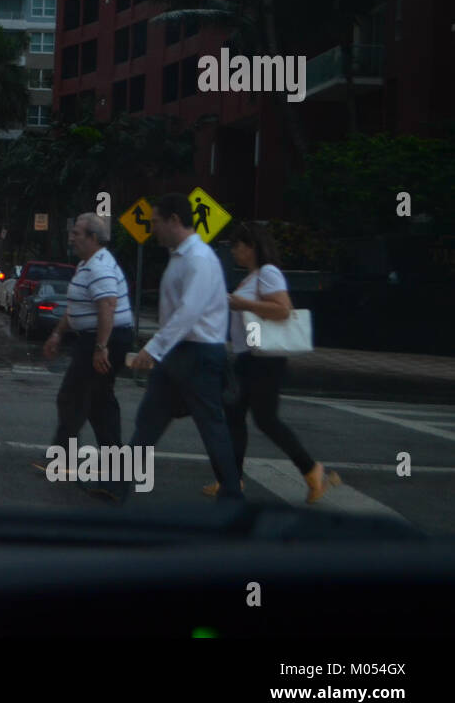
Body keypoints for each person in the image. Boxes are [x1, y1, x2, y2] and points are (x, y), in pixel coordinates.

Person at [108, 193, 244, 502]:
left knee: (210, 427)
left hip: (198, 354)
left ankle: (233, 495)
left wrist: (152, 348)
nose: (152, 228)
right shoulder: (182, 256)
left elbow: (188, 312)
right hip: (181, 353)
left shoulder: (199, 259)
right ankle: (117, 489)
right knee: (148, 422)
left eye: (156, 222)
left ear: (174, 220)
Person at [209, 222, 340, 502]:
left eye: (237, 246)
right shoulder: (251, 277)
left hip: (266, 360)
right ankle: (232, 482)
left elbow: (283, 309)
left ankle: (312, 470)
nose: (234, 252)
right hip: (248, 358)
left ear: (251, 247)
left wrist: (243, 304)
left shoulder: (268, 273)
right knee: (234, 415)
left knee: (265, 419)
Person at [36, 214, 134, 473]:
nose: (71, 238)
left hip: (103, 337)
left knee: (72, 397)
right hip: (97, 337)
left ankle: (64, 459)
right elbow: (76, 308)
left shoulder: (99, 266)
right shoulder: (86, 264)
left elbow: (107, 305)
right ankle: (115, 467)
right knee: (99, 402)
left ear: (93, 238)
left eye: (76, 233)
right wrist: (57, 334)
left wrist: (101, 347)